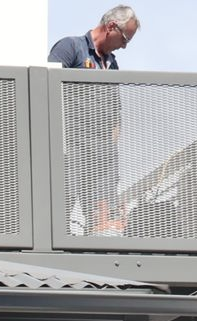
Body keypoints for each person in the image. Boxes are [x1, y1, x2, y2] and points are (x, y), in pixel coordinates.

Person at [49, 6, 139, 235]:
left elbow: (115, 112)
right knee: (62, 200)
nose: (125, 46)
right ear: (111, 27)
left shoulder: (112, 64)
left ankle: (98, 238)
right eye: (125, 38)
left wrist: (111, 146)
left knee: (102, 212)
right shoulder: (70, 48)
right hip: (72, 146)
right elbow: (48, 90)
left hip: (102, 152)